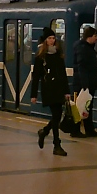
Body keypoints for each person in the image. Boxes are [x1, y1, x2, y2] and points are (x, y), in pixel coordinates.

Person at [29, 27, 71, 156]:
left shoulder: (58, 54)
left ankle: (45, 131)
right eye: (49, 38)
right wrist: (34, 94)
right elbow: (35, 76)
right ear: (45, 40)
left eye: (53, 38)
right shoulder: (41, 57)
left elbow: (63, 74)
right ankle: (56, 145)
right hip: (48, 89)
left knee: (56, 116)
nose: (52, 41)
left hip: (58, 88)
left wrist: (67, 91)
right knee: (56, 114)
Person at [71, 25, 97, 138]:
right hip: (83, 84)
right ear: (89, 36)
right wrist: (85, 85)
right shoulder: (83, 49)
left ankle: (89, 129)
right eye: (95, 35)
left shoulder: (88, 48)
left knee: (87, 107)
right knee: (80, 107)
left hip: (88, 83)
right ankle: (75, 130)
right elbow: (82, 67)